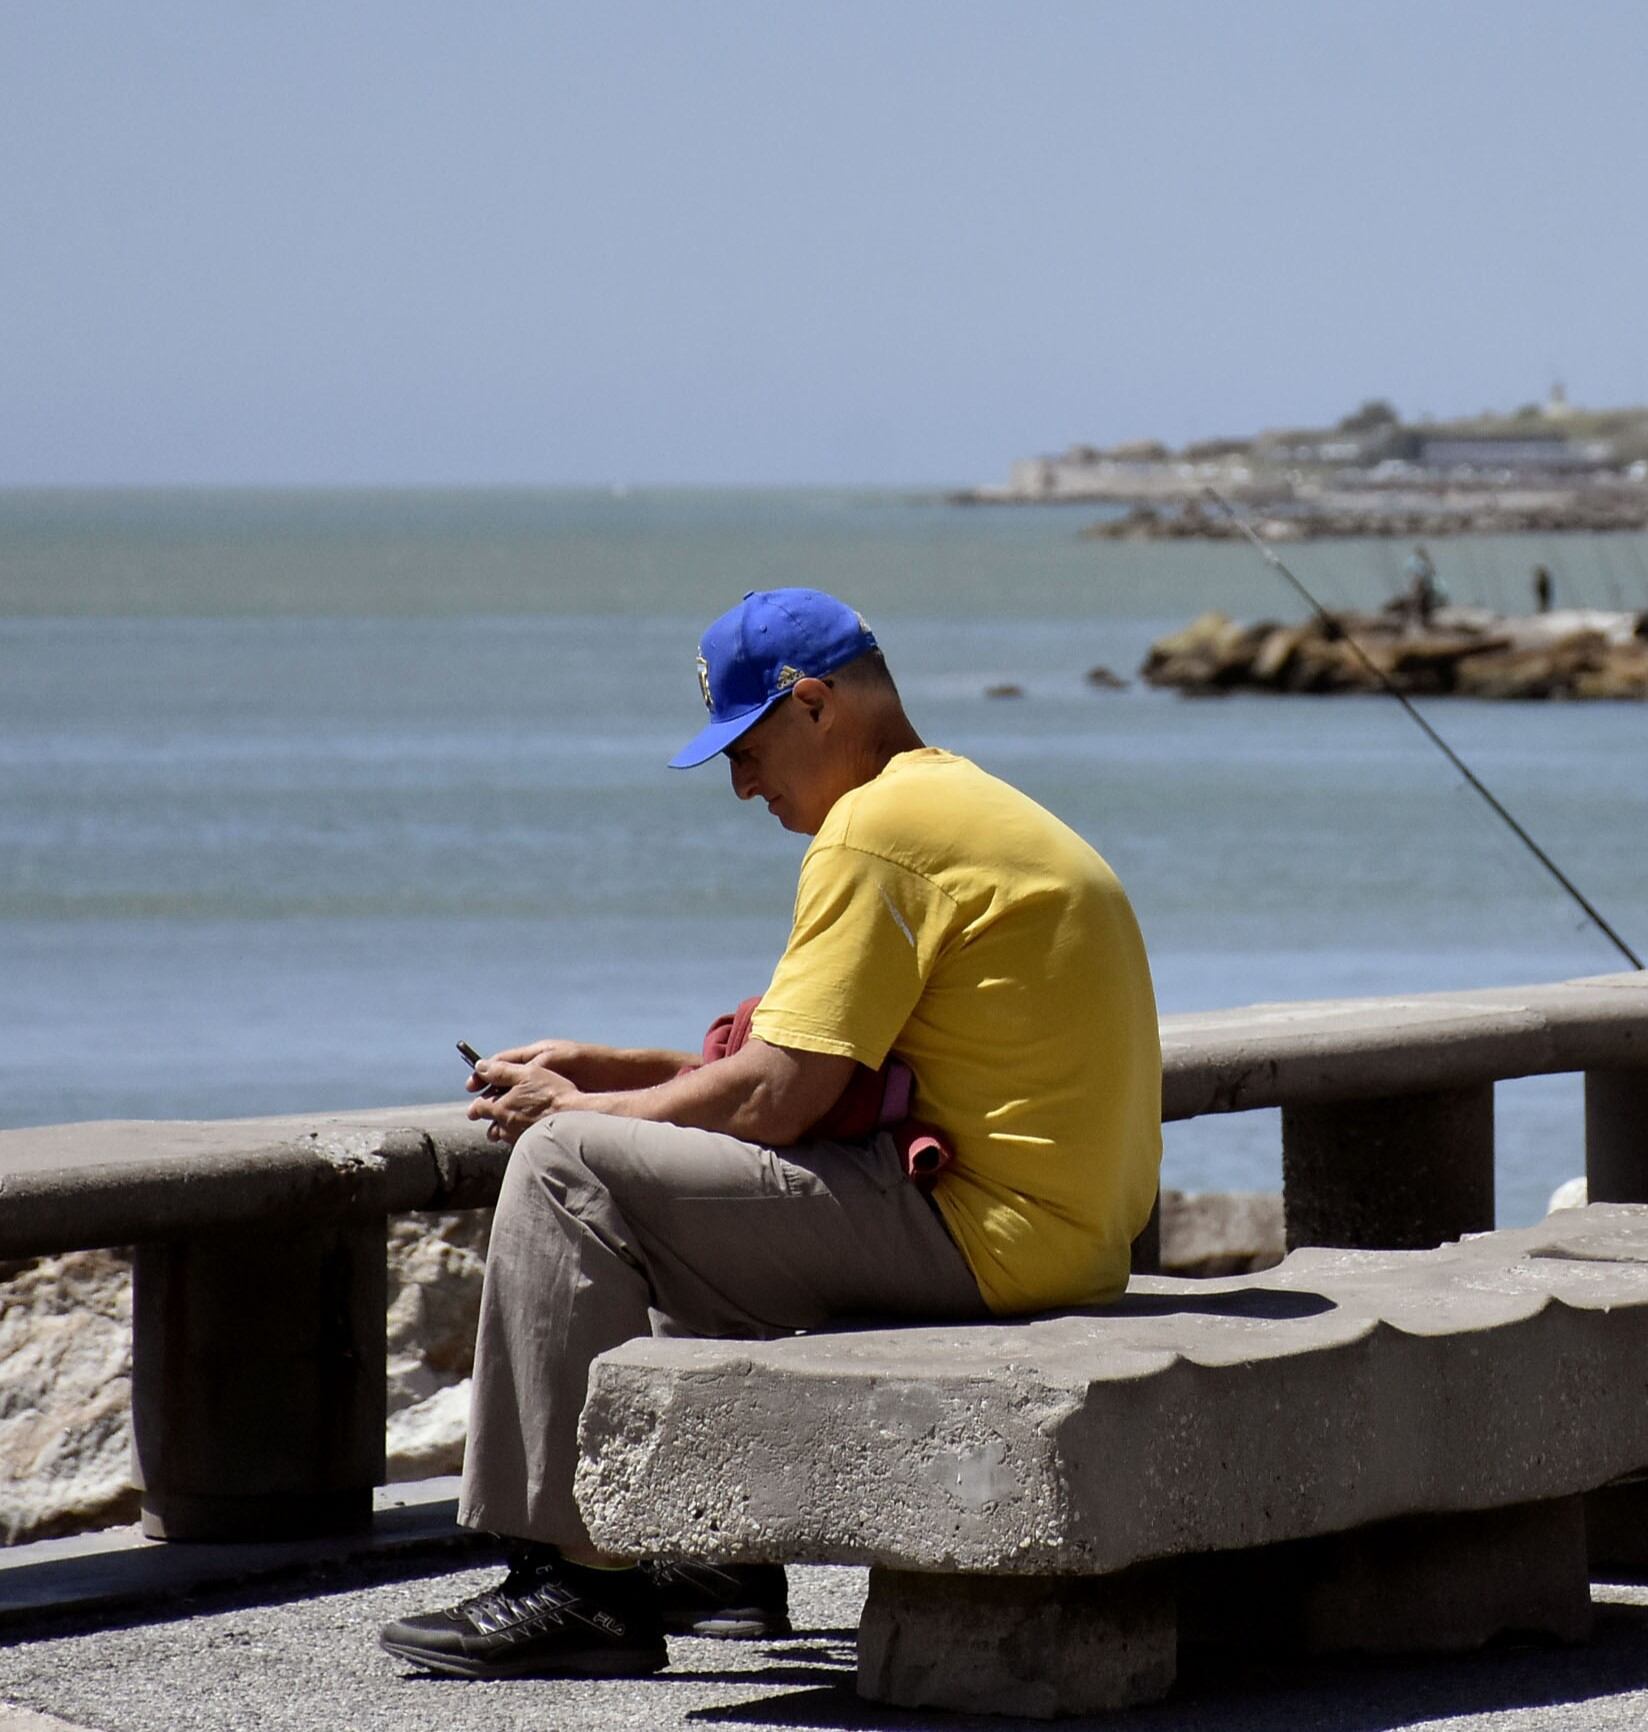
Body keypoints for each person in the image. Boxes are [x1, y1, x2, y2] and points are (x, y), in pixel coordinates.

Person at [379, 589, 1163, 1680]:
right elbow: (816, 1075)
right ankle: (715, 1558)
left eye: (746, 750)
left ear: (813, 705)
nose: (744, 785)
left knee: (565, 1170)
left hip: (991, 1239)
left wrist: (574, 1113)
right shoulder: (959, 804)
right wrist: (614, 1071)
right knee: (687, 1175)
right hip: (1065, 1230)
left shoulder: (875, 832)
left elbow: (777, 1101)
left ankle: (579, 1580)